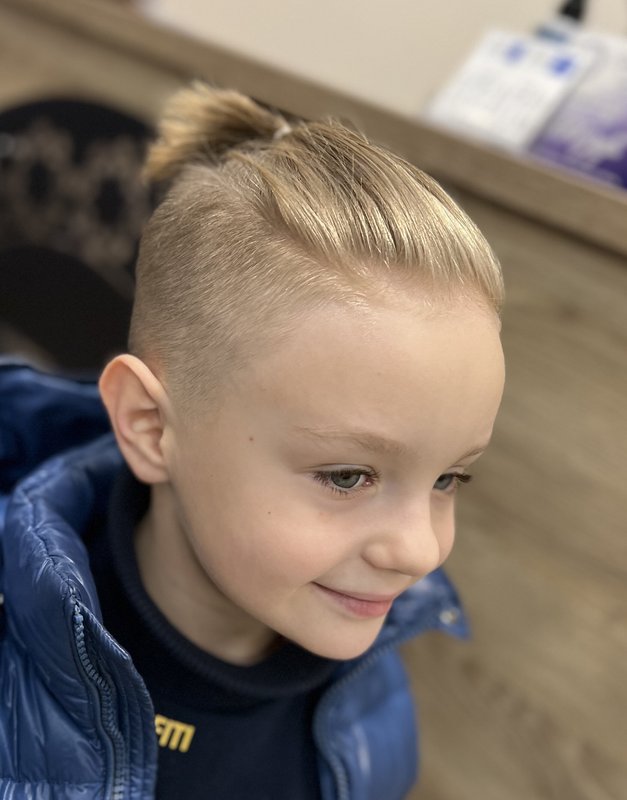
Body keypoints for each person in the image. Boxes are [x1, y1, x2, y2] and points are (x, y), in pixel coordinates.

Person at [0, 83, 505, 800]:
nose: (420, 553)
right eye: (347, 476)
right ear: (150, 426)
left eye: (448, 478)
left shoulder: (368, 681)